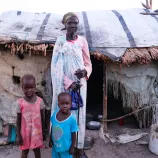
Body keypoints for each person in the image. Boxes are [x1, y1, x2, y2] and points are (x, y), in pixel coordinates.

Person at [51, 12, 92, 156]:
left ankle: (78, 147)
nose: (73, 26)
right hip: (64, 85)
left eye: (75, 23)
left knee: (79, 114)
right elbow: (55, 67)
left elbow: (88, 63)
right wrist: (69, 83)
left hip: (80, 85)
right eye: (70, 23)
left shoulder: (83, 41)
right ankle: (63, 145)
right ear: (65, 25)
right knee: (64, 112)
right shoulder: (60, 41)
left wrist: (85, 72)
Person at [16, 74, 45, 158]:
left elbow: (42, 118)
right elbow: (18, 120)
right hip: (25, 134)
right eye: (26, 88)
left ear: (35, 87)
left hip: (37, 133)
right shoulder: (20, 103)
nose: (29, 90)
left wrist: (44, 132)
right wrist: (18, 135)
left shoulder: (40, 101)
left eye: (31, 88)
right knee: (25, 152)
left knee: (37, 151)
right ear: (22, 88)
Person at [49, 92, 78, 158]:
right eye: (62, 104)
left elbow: (74, 134)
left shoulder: (72, 119)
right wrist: (50, 139)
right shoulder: (54, 115)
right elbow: (53, 127)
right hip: (56, 147)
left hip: (66, 149)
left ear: (71, 104)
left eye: (67, 103)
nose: (65, 106)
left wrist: (72, 147)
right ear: (58, 104)